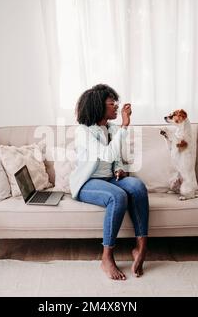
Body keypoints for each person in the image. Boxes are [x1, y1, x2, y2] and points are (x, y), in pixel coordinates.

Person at [69, 84, 149, 280]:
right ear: (98, 106)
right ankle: (106, 258)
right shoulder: (83, 131)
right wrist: (124, 126)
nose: (116, 107)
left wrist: (118, 169)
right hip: (88, 183)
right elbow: (106, 152)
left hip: (110, 179)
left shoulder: (111, 128)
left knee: (137, 186)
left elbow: (115, 158)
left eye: (116, 103)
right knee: (118, 196)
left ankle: (141, 247)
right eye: (111, 103)